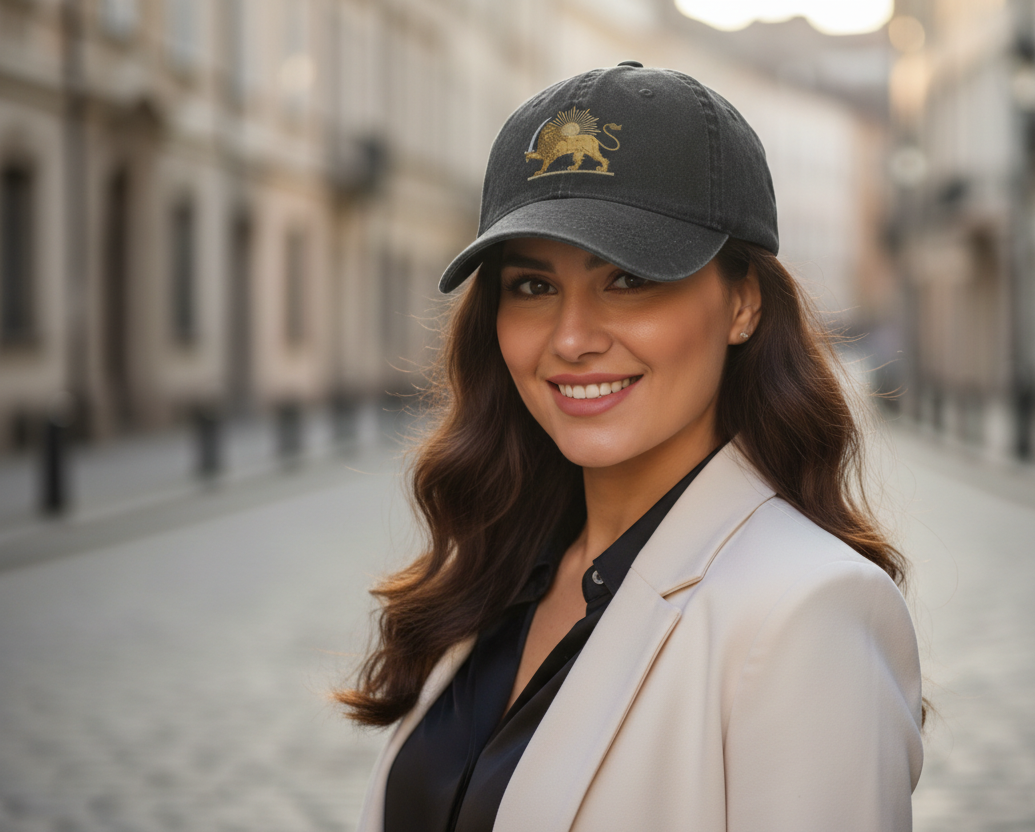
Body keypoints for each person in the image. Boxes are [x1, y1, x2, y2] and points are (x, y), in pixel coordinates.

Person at [339, 62, 924, 832]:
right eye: (533, 286)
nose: (572, 338)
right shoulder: (499, 571)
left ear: (743, 303)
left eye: (629, 279)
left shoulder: (807, 613)